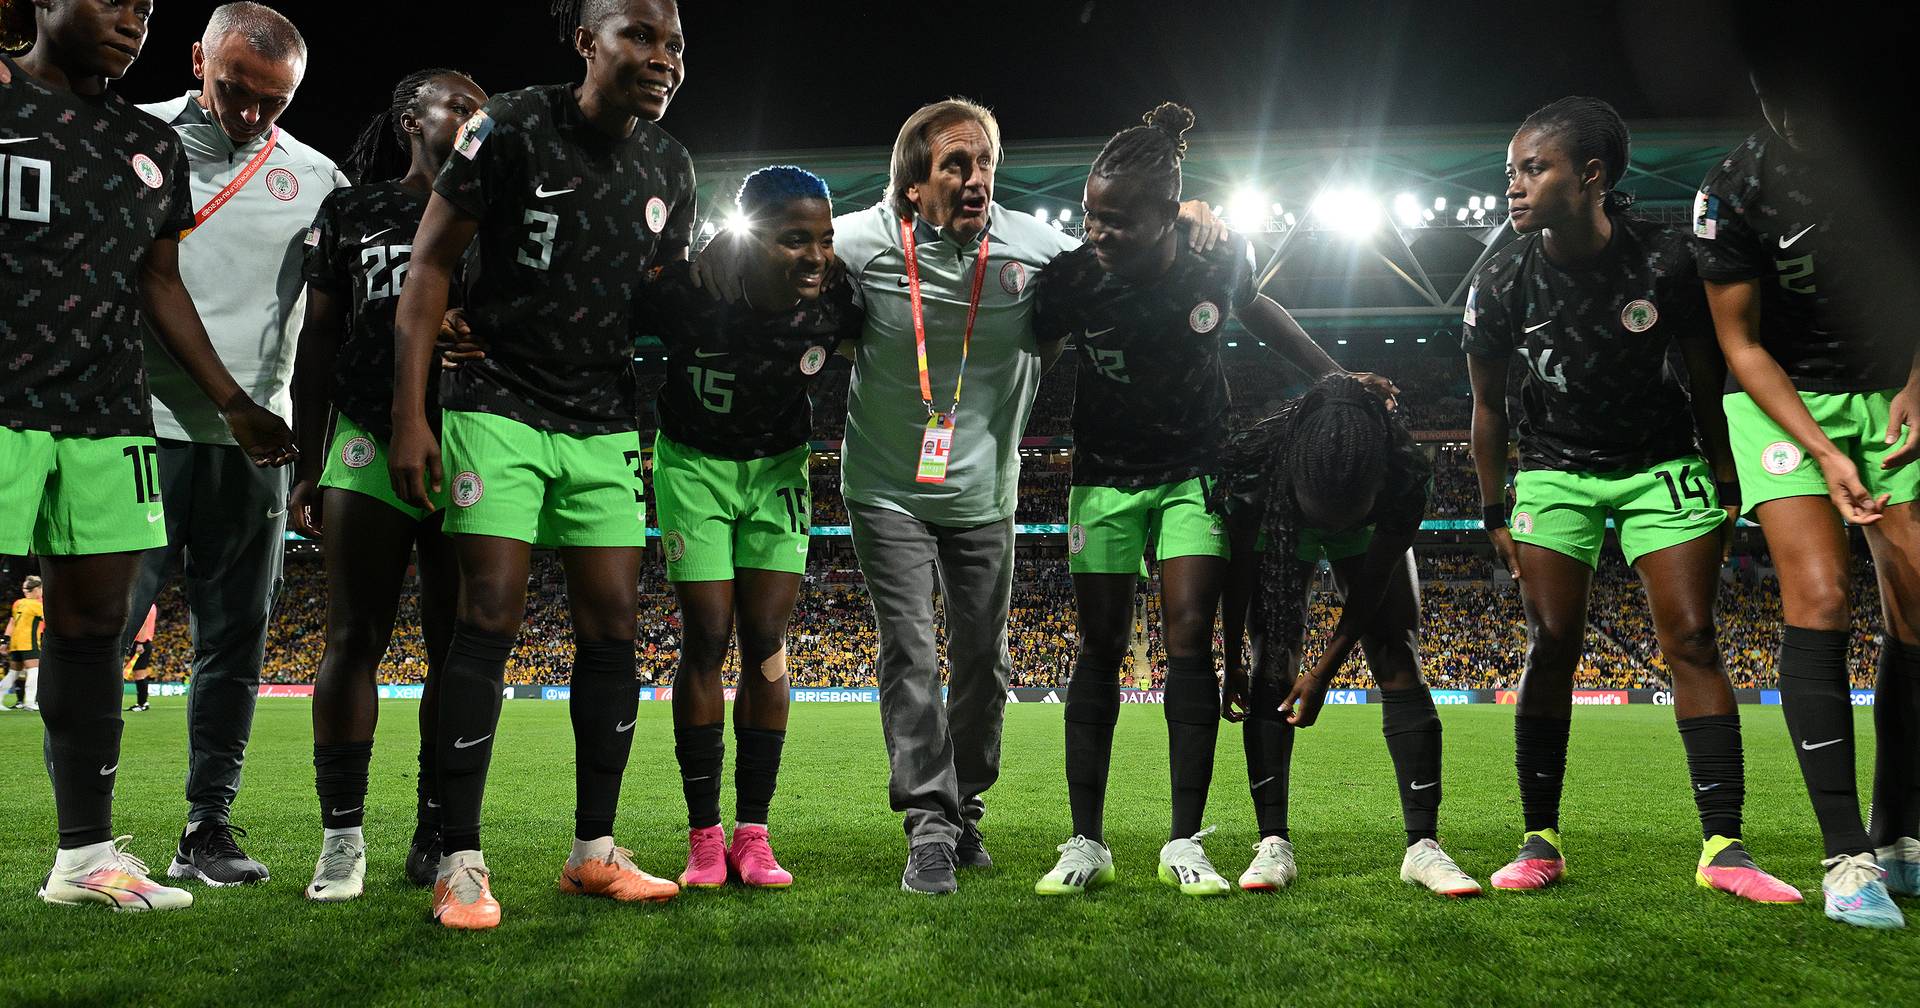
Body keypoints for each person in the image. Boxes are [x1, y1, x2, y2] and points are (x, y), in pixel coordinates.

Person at [814, 97, 1223, 894]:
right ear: (911, 182)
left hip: (985, 492)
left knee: (984, 664)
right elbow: (776, 258)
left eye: (986, 165)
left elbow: (1132, 247)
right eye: (955, 166)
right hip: (885, 488)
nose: (976, 181)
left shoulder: (1037, 249)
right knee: (911, 651)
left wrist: (1192, 217)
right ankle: (929, 824)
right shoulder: (859, 242)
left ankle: (966, 806)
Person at [1026, 103, 1395, 897]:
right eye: (1091, 217)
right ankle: (1085, 840)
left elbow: (1261, 312)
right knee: (1099, 646)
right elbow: (1026, 354)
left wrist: (1334, 378)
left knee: (1189, 636)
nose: (1099, 233)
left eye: (1118, 221)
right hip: (1101, 477)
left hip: (1195, 470)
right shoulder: (1073, 281)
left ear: (1169, 217)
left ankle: (1183, 841)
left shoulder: (1212, 264)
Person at [388, 0, 695, 929]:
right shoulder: (513, 124)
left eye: (675, 44)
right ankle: (460, 862)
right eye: (638, 36)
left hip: (603, 413)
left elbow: (660, 296)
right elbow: (430, 265)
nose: (661, 57)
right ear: (585, 42)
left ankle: (593, 852)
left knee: (613, 630)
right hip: (500, 400)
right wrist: (412, 415)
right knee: (488, 619)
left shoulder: (671, 166)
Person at [0, 0, 296, 912]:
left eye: (143, 6)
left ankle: (83, 858)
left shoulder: (146, 146)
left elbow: (158, 283)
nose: (131, 18)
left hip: (108, 416)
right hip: (6, 402)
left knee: (92, 636)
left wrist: (235, 404)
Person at [1465, 97, 1798, 903]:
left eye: (1533, 168)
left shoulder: (1669, 263)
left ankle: (1725, 845)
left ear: (1592, 176)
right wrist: (1494, 511)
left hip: (1661, 463)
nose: (1513, 185)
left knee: (1692, 638)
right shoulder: (1502, 277)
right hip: (1551, 470)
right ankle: (1539, 838)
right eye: (1511, 170)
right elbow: (1488, 408)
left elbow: (1708, 377)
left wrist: (1726, 483)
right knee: (1551, 641)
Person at [104, 1, 347, 889]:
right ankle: (83, 836)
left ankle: (207, 826)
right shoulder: (127, 133)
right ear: (198, 57)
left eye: (272, 103)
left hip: (256, 452)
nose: (249, 116)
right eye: (234, 90)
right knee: (104, 633)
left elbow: (335, 317)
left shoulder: (316, 176)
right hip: (138, 427)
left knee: (234, 644)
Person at [1697, 71, 1920, 928]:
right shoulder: (1732, 188)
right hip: (1780, 401)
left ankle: (1898, 833)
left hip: (1890, 392)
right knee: (1821, 594)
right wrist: (1824, 450)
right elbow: (1740, 343)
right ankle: (1845, 857)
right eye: (1770, 87)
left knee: (1913, 605)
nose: (1790, 105)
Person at [289, 68, 487, 903]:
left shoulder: (501, 211)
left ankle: (437, 828)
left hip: (474, 443)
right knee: (351, 638)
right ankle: (341, 838)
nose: (476, 119)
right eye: (460, 106)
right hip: (366, 440)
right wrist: (307, 459)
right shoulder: (353, 210)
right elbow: (320, 340)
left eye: (485, 111)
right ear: (412, 117)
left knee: (458, 646)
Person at [649, 167, 860, 890]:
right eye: (793, 239)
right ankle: (704, 837)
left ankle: (754, 835)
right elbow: (610, 320)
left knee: (766, 640)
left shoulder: (838, 297)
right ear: (750, 236)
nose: (814, 255)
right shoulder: (692, 291)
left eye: (824, 239)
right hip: (693, 466)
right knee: (706, 636)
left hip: (779, 471)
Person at [1209, 375, 1482, 899]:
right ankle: (1273, 841)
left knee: (1397, 651)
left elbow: (1373, 586)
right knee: (1272, 659)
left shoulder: (1404, 473)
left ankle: (1423, 847)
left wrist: (1324, 671)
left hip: (1365, 522)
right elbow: (1239, 572)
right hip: (1283, 519)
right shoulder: (1256, 471)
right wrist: (1233, 661)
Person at [4, 575, 44, 712]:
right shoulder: (37, 605)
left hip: (15, 643)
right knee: (34, 671)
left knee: (13, 673)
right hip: (29, 642)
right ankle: (29, 702)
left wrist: (5, 640)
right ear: (37, 589)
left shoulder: (18, 603)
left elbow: (12, 622)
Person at [124, 605, 156, 712]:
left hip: (141, 643)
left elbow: (144, 624)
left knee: (139, 674)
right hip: (143, 642)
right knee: (139, 673)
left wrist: (140, 643)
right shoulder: (152, 606)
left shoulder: (145, 605)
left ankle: (142, 703)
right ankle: (142, 702)